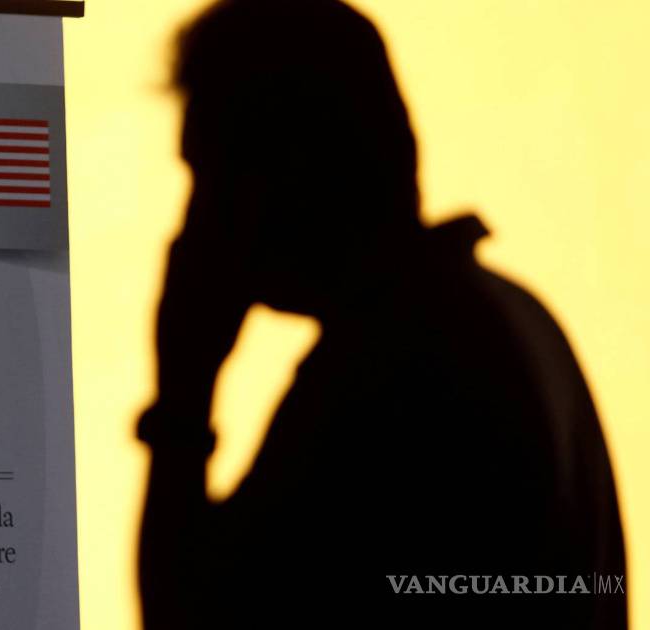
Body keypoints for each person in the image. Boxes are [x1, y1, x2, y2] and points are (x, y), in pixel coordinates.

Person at [135, 1, 627, 628]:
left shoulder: (388, 367)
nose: (193, 219)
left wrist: (182, 397)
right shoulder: (512, 318)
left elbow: (190, 616)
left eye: (208, 174)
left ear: (285, 169)